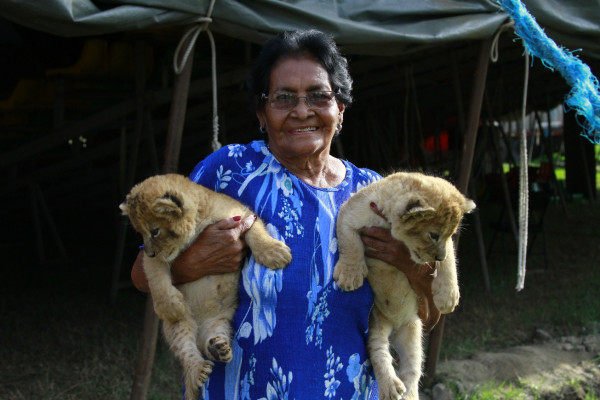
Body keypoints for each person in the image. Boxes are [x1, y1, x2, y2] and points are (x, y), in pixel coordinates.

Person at [131, 29, 439, 399]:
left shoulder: (375, 196)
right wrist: (191, 263)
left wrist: (415, 268)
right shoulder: (228, 172)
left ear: (339, 109)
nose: (302, 110)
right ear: (262, 113)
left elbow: (423, 315)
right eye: (283, 98)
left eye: (318, 96)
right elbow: (141, 274)